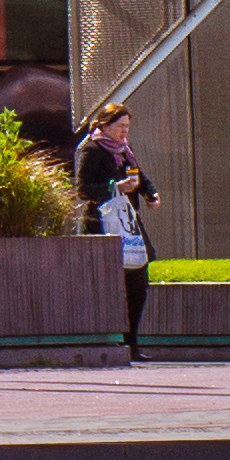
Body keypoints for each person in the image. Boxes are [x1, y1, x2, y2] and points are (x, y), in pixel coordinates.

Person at [73, 98, 158, 348]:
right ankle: (108, 340)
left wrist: (150, 193)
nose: (124, 132)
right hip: (103, 223)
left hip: (128, 222)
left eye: (127, 127)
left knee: (138, 281)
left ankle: (131, 342)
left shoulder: (124, 149)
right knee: (109, 283)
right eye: (120, 126)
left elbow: (139, 175)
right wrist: (114, 187)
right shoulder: (93, 149)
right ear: (106, 125)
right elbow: (83, 189)